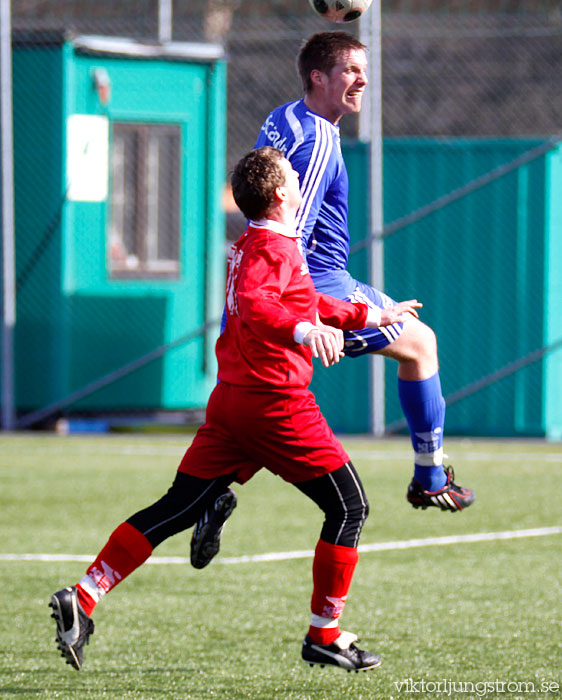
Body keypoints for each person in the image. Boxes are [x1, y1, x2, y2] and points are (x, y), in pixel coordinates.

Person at [49, 146, 423, 673]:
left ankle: (83, 596)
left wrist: (373, 311)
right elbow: (259, 304)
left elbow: (305, 300)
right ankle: (325, 635)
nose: (299, 180)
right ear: (279, 195)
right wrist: (303, 330)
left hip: (234, 401)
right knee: (349, 508)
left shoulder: (261, 243)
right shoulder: (271, 247)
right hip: (276, 404)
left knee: (175, 507)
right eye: (293, 177)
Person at [190, 32, 476, 570]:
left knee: (267, 407)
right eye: (350, 70)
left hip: (293, 281)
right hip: (317, 285)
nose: (362, 80)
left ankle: (211, 495)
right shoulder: (318, 139)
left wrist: (340, 28)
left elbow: (266, 208)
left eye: (362, 69)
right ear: (319, 78)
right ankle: (429, 478)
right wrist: (302, 311)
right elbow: (286, 230)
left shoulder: (286, 116)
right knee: (420, 343)